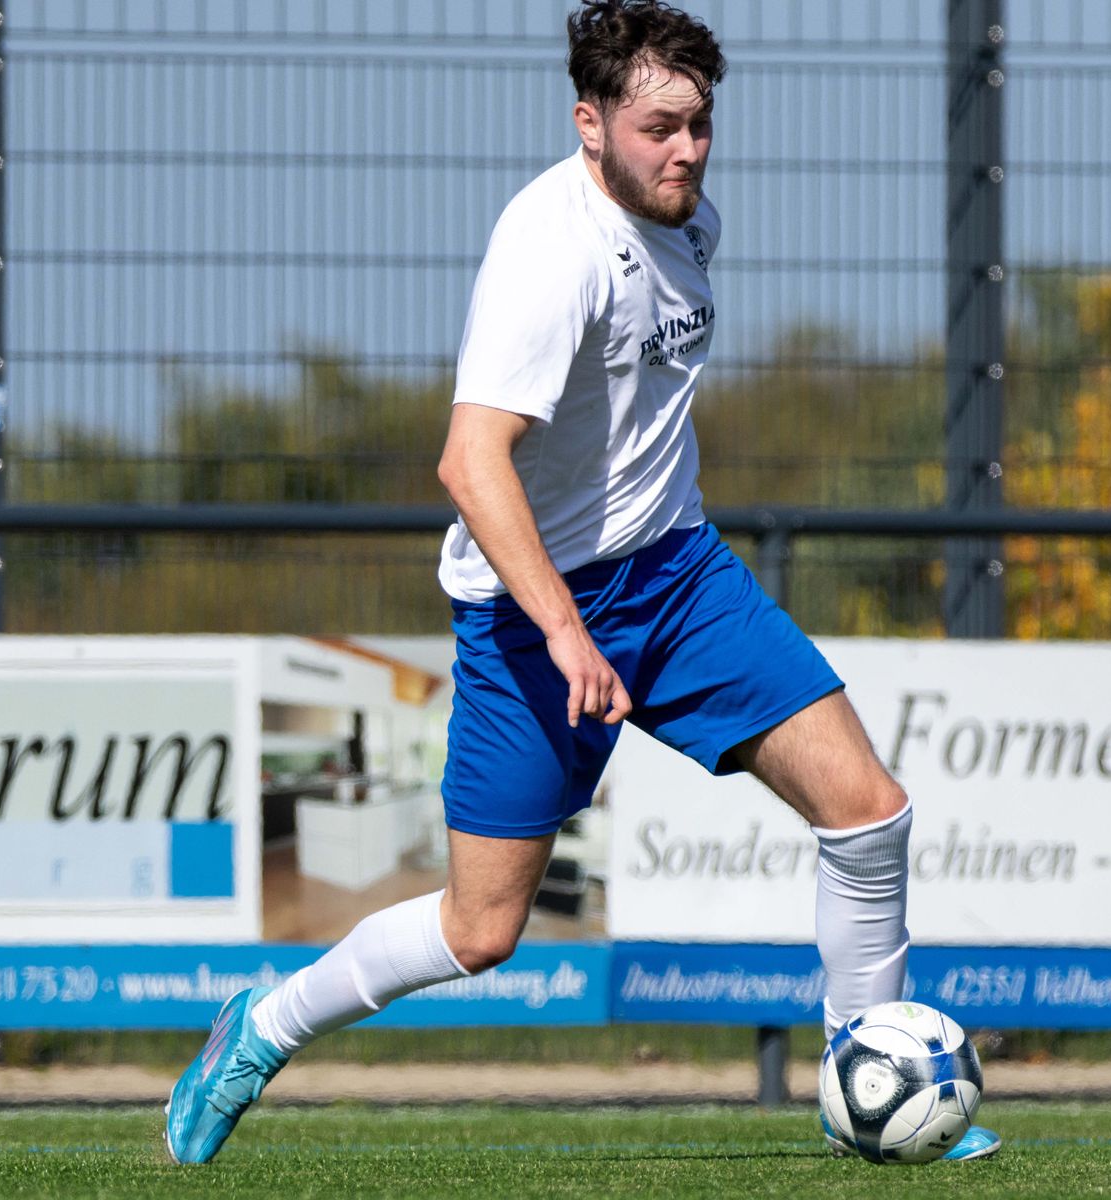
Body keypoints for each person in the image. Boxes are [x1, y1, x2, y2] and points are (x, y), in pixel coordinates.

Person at [165, 0, 998, 1164]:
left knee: (869, 814)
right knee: (482, 929)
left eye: (700, 124)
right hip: (531, 615)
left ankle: (873, 1077)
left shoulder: (690, 218)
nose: (689, 151)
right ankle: (261, 1027)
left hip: (680, 578)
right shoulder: (551, 257)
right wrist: (563, 630)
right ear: (590, 124)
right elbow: (469, 460)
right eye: (661, 127)